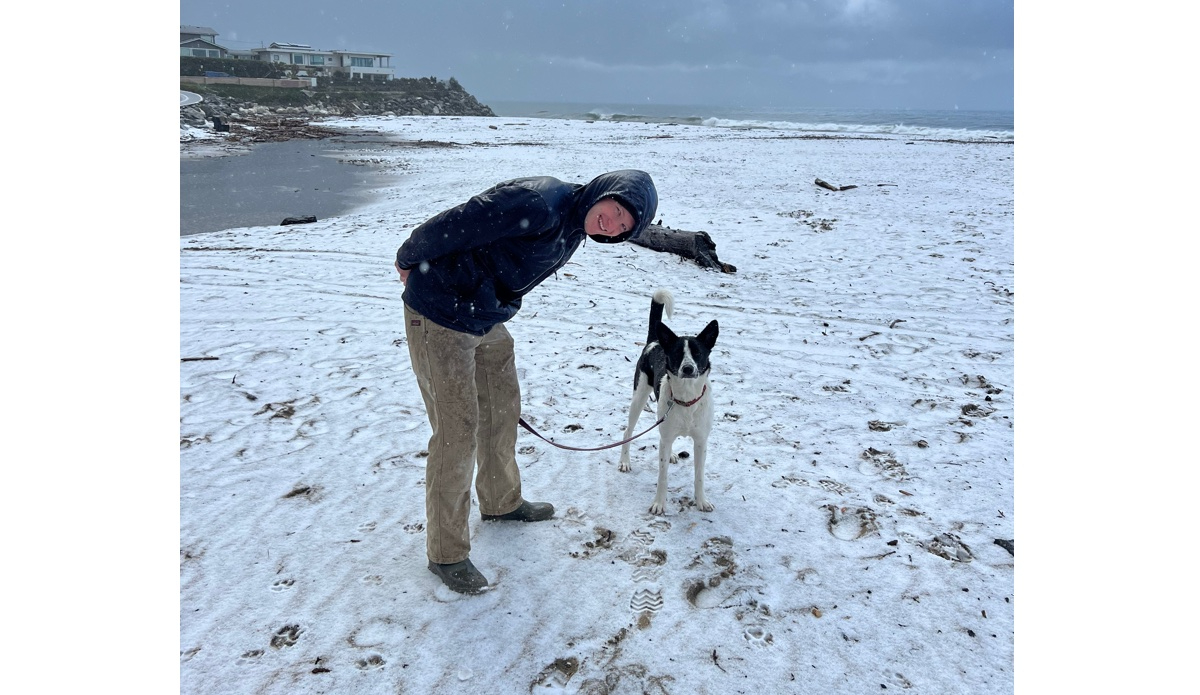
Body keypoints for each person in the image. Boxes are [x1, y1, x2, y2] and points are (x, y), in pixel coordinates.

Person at [394, 169, 659, 594]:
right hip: (440, 313)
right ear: (606, 193)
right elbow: (456, 223)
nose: (612, 226)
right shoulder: (539, 203)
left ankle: (500, 502)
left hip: (484, 315)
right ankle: (447, 553)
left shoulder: (573, 226)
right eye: (617, 212)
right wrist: (409, 257)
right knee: (456, 433)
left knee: (502, 409)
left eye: (624, 228)